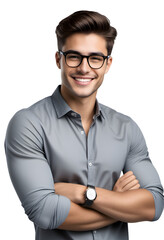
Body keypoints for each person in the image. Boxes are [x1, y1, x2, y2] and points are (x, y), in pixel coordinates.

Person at [5, 10, 163, 240]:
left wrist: (87, 194)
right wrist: (119, 203)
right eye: (73, 56)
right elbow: (44, 211)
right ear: (59, 59)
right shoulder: (28, 124)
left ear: (107, 64)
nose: (84, 68)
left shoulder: (127, 128)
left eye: (95, 58)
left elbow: (154, 205)